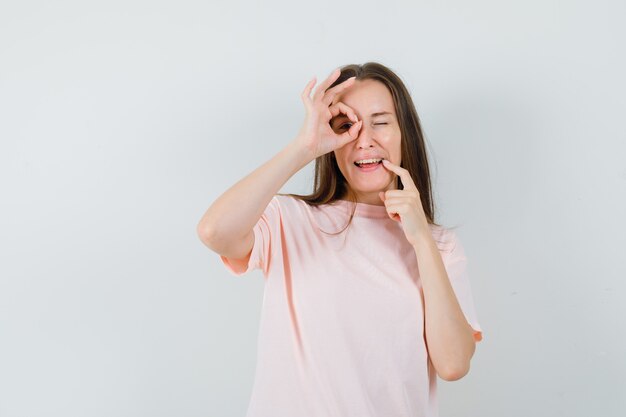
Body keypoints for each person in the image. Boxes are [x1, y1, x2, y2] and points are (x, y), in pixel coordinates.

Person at [197, 62, 483, 417]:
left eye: (380, 122)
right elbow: (214, 231)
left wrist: (421, 239)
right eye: (347, 126)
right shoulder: (290, 220)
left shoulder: (439, 245)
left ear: (405, 133)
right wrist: (304, 147)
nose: (364, 140)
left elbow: (454, 364)